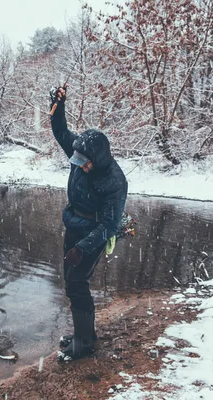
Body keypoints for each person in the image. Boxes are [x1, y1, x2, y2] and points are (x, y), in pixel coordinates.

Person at [49, 85, 128, 361]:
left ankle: (83, 345)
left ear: (97, 159)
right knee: (72, 281)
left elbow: (109, 224)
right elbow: (60, 132)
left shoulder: (114, 181)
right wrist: (58, 106)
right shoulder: (80, 152)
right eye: (77, 160)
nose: (79, 166)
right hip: (73, 225)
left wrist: (82, 248)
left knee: (77, 283)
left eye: (85, 163)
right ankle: (86, 335)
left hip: (92, 234)